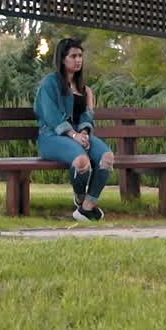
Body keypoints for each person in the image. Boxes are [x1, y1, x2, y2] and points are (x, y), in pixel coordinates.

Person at [34, 37, 114, 221]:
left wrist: (84, 133)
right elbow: (51, 115)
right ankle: (80, 196)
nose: (78, 60)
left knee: (107, 157)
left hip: (79, 135)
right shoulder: (49, 83)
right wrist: (72, 134)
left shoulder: (85, 90)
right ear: (63, 59)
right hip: (52, 137)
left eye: (80, 56)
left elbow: (87, 116)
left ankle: (87, 207)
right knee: (81, 161)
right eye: (73, 56)